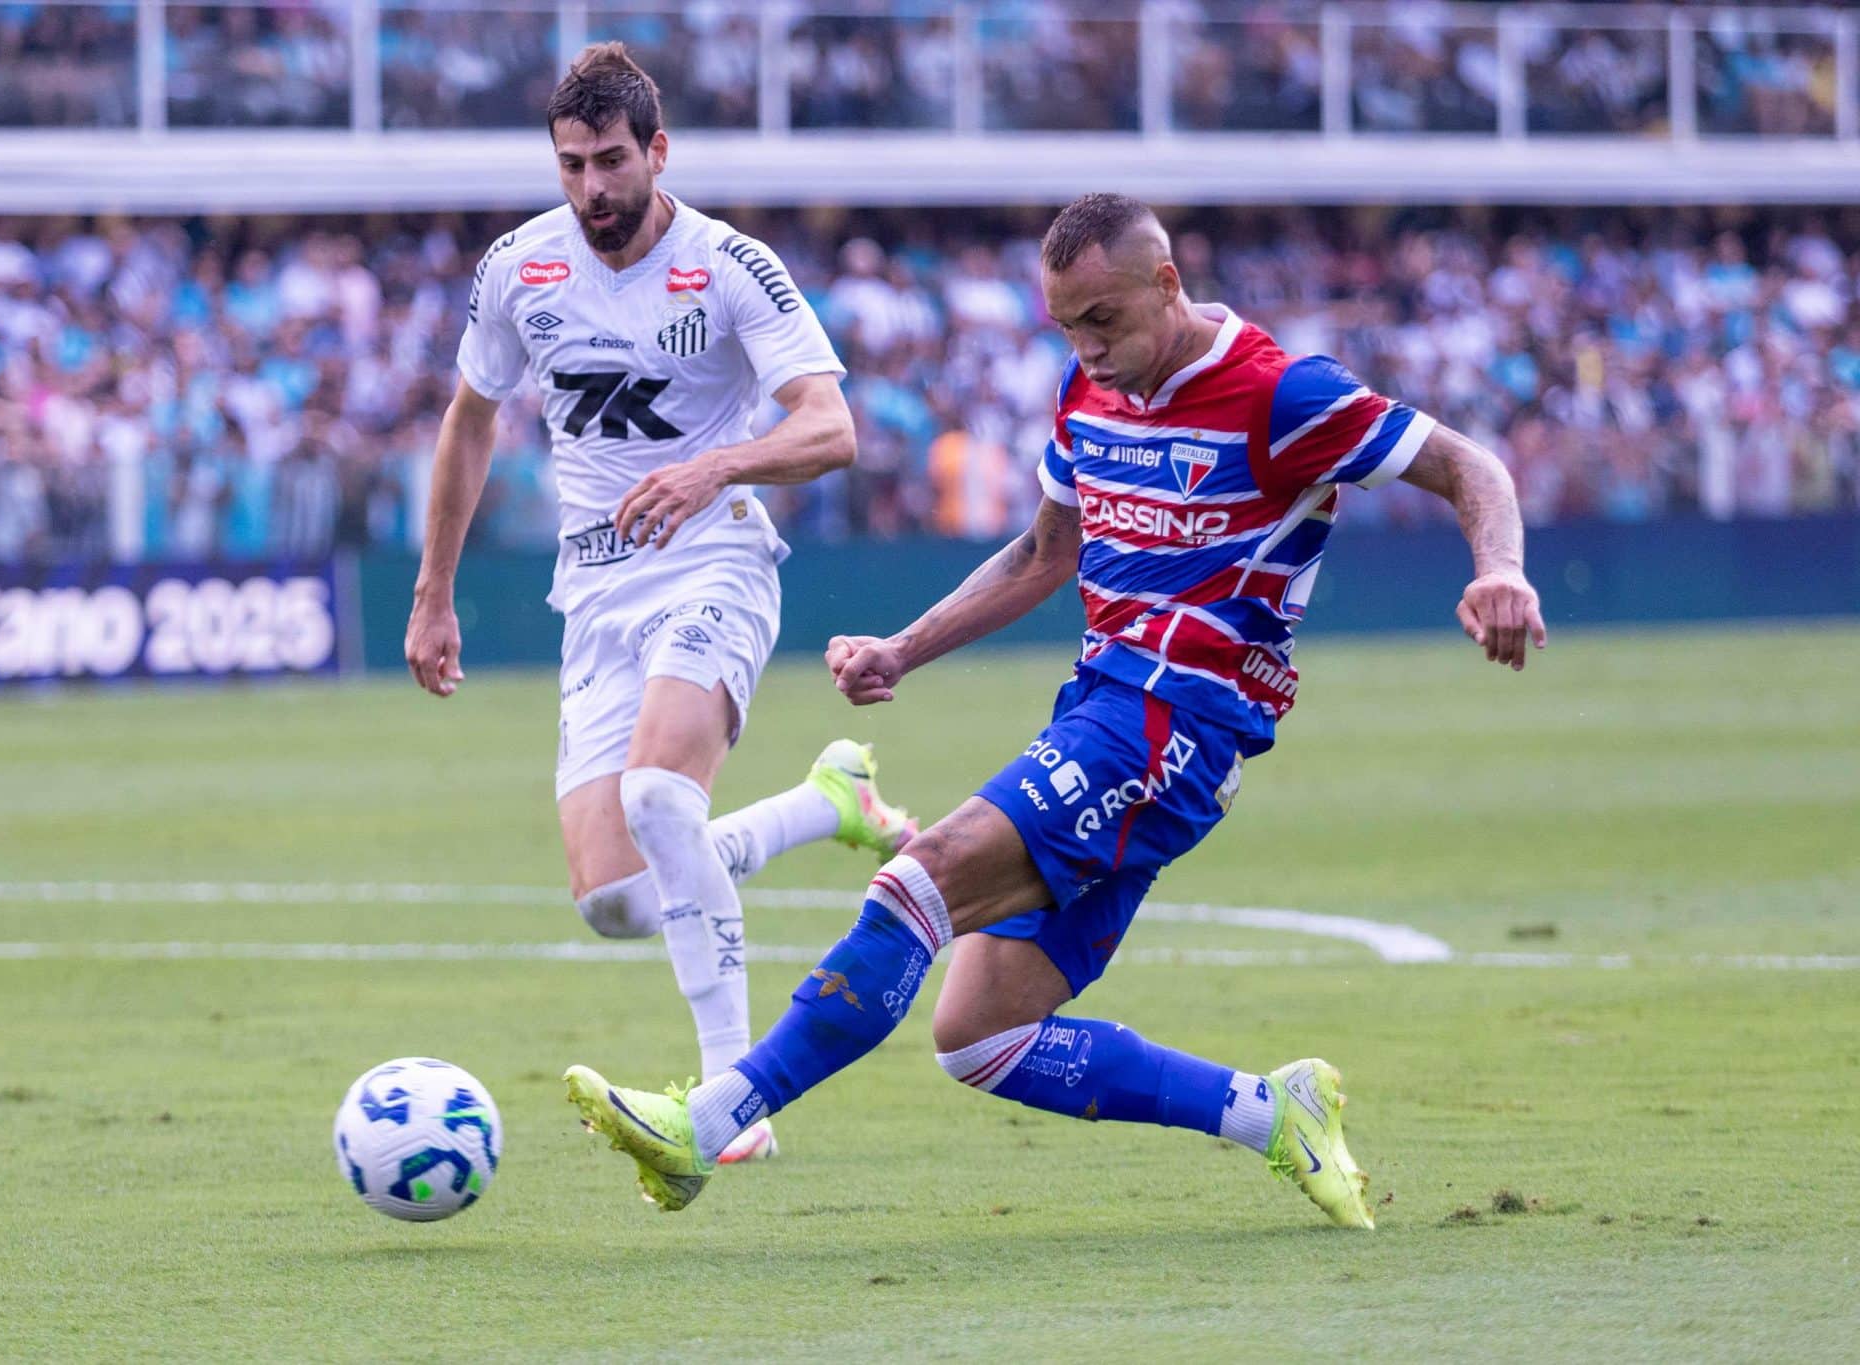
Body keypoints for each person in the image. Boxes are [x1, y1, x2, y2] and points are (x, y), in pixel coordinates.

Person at [565, 193, 1548, 1225]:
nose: (1087, 348)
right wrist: (906, 647)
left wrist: (1502, 572)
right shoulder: (1088, 387)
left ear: (1165, 285)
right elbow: (1044, 552)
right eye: (1066, 326)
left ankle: (705, 1126)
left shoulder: (1279, 394)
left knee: (921, 877)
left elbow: (1464, 465)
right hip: (1103, 710)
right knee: (981, 1036)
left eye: (1103, 321)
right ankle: (1272, 1114)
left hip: (1178, 720)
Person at [404, 43, 916, 1165]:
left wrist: (714, 469)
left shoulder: (728, 265)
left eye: (610, 162)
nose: (591, 188)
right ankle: (825, 802)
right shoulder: (517, 269)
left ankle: (735, 1102)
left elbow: (829, 429)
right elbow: (469, 419)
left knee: (654, 792)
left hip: (715, 560)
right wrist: (433, 592)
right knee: (614, 900)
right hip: (593, 591)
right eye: (571, 165)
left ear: (657, 151)